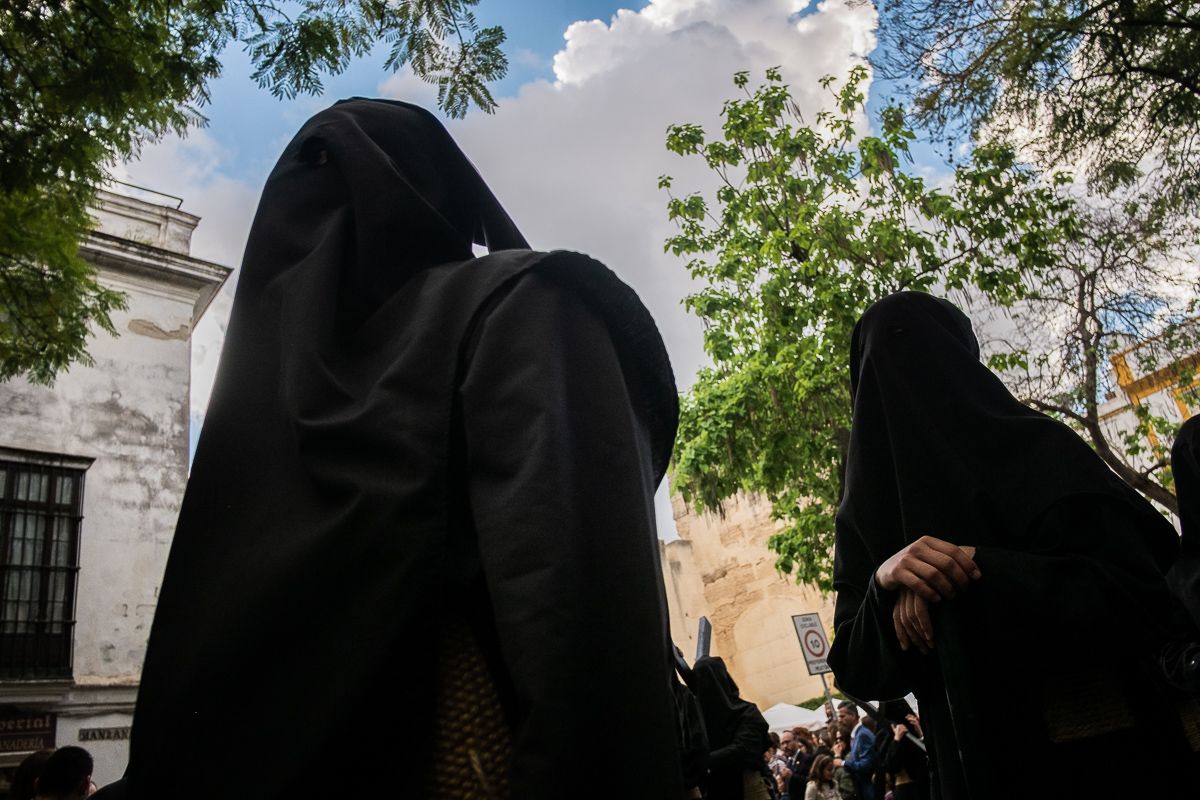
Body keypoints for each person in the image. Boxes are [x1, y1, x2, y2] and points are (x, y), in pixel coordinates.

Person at [104, 99, 684, 799]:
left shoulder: (512, 312)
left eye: (330, 168)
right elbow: (588, 643)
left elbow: (578, 639)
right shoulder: (521, 308)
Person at [828, 291, 1200, 799]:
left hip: (1104, 754)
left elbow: (1144, 597)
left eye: (922, 353)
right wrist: (886, 583)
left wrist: (971, 572)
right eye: (883, 362)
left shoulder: (1043, 455)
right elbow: (855, 665)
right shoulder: (865, 520)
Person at [688, 656, 776, 799]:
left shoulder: (746, 713)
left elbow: (742, 750)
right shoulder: (696, 719)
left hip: (747, 786)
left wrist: (703, 761)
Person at [831, 702, 874, 800]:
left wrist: (842, 763)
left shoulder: (863, 735)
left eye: (842, 716)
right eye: (839, 717)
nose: (839, 720)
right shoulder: (856, 735)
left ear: (853, 715)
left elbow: (866, 765)